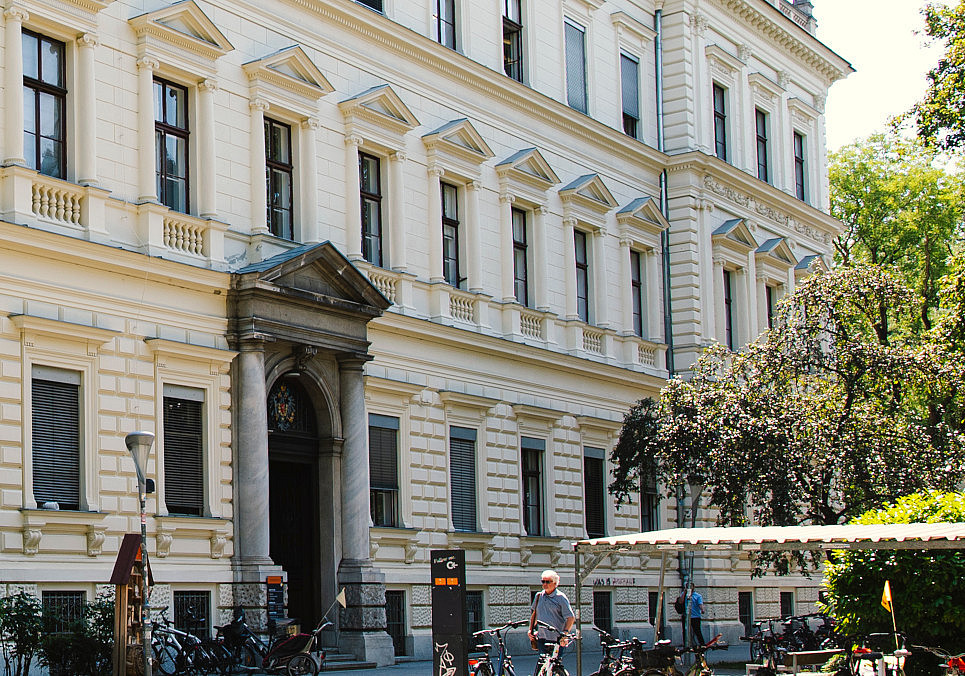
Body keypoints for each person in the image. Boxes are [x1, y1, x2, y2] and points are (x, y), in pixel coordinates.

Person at [527, 569, 575, 654]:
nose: (545, 584)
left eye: (548, 582)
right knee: (543, 664)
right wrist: (531, 630)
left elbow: (570, 617)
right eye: (543, 581)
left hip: (556, 639)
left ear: (555, 583)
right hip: (542, 638)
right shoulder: (539, 596)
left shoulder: (561, 597)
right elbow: (535, 613)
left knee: (555, 664)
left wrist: (565, 633)